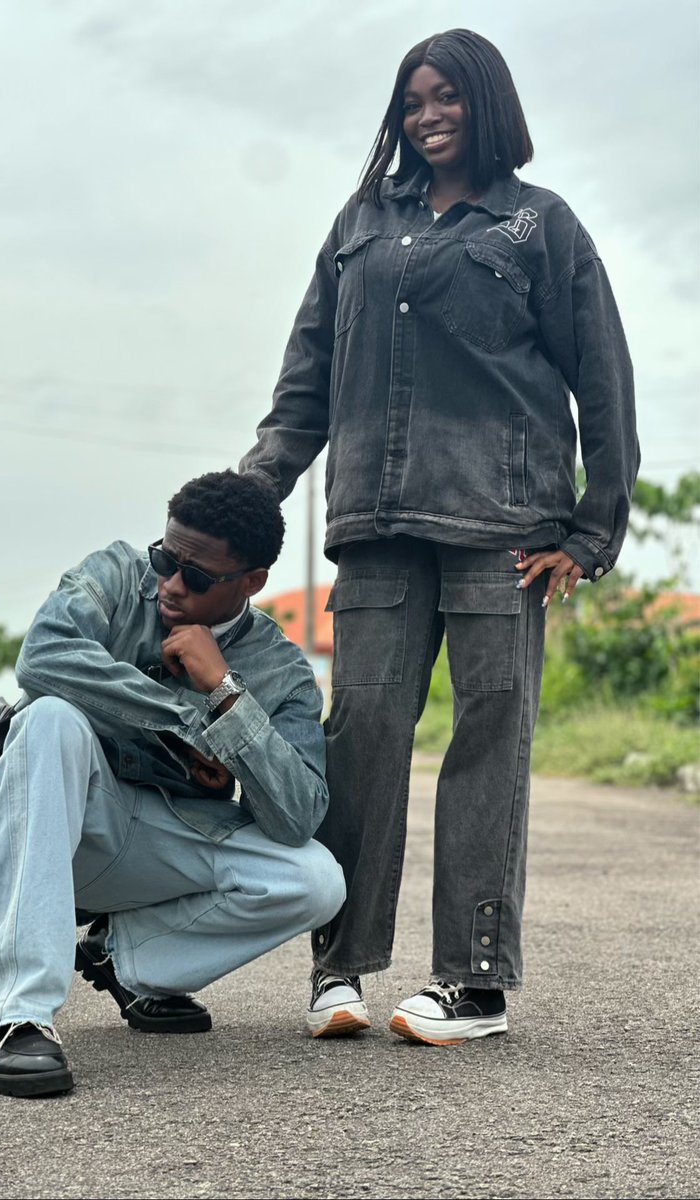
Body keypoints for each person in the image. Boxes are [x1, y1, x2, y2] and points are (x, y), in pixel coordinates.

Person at [239, 29, 639, 1044]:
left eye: (447, 97)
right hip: (375, 522)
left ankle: (474, 981)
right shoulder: (362, 222)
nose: (427, 114)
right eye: (413, 99)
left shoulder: (538, 228)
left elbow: (604, 383)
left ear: (487, 106)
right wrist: (247, 499)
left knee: (487, 743)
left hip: (505, 527)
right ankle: (339, 970)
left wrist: (592, 534)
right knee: (360, 739)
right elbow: (307, 378)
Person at [0, 469, 345, 1096]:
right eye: (166, 558)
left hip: (168, 841)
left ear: (251, 582)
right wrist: (184, 721)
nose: (169, 585)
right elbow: (42, 656)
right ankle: (18, 1017)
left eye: (196, 576)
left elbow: (297, 816)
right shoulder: (118, 576)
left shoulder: (282, 671)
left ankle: (123, 959)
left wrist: (227, 697)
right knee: (48, 719)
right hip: (65, 827)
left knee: (315, 880)